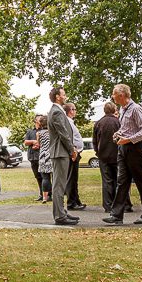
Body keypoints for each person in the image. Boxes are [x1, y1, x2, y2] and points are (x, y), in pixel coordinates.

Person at [104, 83, 142, 225]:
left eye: (114, 94)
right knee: (122, 181)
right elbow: (127, 128)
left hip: (135, 149)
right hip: (123, 149)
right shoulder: (123, 109)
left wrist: (128, 139)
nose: (112, 97)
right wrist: (119, 134)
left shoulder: (136, 109)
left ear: (121, 95)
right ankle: (116, 215)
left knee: (141, 181)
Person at [47, 87, 78, 225]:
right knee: (59, 185)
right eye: (63, 94)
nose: (65, 96)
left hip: (61, 152)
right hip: (60, 152)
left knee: (60, 184)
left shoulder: (58, 111)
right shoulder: (56, 112)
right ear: (58, 97)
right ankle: (59, 216)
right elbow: (63, 133)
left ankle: (62, 212)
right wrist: (72, 150)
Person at [93, 102, 130, 213]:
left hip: (103, 156)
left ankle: (108, 205)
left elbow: (95, 141)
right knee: (121, 180)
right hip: (117, 154)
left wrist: (97, 152)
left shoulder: (98, 123)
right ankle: (125, 204)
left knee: (107, 181)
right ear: (114, 109)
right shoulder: (118, 122)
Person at [65, 102, 86, 210]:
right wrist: (73, 150)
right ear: (70, 111)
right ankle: (71, 203)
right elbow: (69, 137)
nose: (75, 111)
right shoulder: (68, 122)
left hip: (76, 152)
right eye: (74, 109)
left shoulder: (70, 122)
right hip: (73, 153)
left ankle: (76, 201)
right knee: (71, 179)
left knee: (74, 178)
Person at [24, 115, 46, 201]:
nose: (41, 120)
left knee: (45, 176)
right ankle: (41, 194)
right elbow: (25, 142)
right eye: (39, 118)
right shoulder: (30, 131)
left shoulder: (44, 131)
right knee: (37, 176)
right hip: (32, 157)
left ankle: (48, 194)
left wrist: (38, 144)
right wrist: (33, 141)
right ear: (35, 121)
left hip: (42, 156)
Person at [35, 115, 53, 203]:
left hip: (42, 155)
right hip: (51, 155)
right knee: (54, 176)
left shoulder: (39, 133)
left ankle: (44, 197)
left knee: (45, 178)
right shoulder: (52, 132)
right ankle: (54, 194)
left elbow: (38, 144)